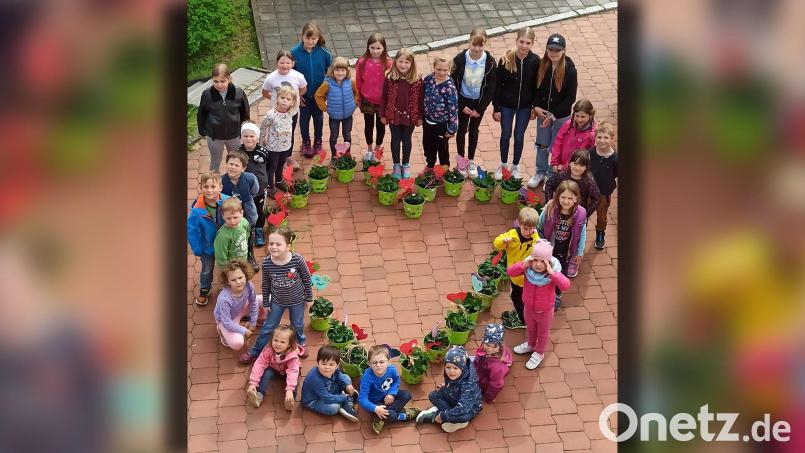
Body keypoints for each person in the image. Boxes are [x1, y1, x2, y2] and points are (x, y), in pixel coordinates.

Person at [240, 227, 313, 363]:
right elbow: (266, 284)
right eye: (271, 243)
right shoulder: (267, 263)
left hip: (297, 300)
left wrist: (309, 298)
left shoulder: (297, 260)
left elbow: (307, 279)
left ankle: (300, 343)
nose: (273, 247)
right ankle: (255, 350)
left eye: (278, 244)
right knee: (269, 326)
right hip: (277, 301)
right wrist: (266, 303)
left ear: (288, 246)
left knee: (297, 324)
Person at [506, 240, 570, 369]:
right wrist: (523, 265)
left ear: (549, 262)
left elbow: (565, 285)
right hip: (529, 308)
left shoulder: (552, 275)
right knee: (531, 329)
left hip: (545, 312)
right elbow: (510, 272)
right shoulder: (527, 269)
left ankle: (539, 353)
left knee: (542, 333)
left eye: (543, 261)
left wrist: (553, 274)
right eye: (535, 260)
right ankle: (530, 345)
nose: (538, 264)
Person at [529, 33, 578, 189]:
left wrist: (553, 115)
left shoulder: (570, 70)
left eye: (557, 50)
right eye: (550, 49)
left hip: (560, 117)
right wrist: (535, 106)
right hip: (543, 114)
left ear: (563, 51)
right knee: (542, 144)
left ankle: (552, 173)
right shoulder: (542, 66)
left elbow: (570, 98)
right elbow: (535, 89)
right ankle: (540, 171)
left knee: (557, 146)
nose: (553, 52)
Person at [491, 28, 539, 180]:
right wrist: (496, 108)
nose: (524, 46)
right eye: (521, 42)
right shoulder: (506, 58)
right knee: (505, 134)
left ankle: (516, 166)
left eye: (528, 43)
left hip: (525, 107)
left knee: (519, 136)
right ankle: (504, 164)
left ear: (532, 43)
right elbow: (497, 85)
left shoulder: (536, 61)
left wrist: (534, 107)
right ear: (516, 40)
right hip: (506, 105)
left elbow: (537, 86)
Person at [451, 27, 496, 178]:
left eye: (480, 45)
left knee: (473, 131)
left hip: (478, 103)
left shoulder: (490, 62)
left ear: (485, 44)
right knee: (462, 130)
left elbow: (491, 88)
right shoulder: (459, 59)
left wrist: (480, 108)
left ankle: (470, 160)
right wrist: (461, 105)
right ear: (469, 42)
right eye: (474, 44)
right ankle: (461, 161)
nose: (477, 49)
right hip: (463, 101)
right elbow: (453, 84)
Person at [537, 180, 587, 308]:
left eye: (570, 198)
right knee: (546, 270)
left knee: (561, 272)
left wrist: (579, 253)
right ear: (557, 196)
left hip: (566, 251)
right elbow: (539, 226)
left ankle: (557, 295)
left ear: (576, 198)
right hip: (550, 248)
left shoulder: (581, 214)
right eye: (563, 197)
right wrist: (541, 245)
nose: (566, 201)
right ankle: (545, 291)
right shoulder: (550, 208)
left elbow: (581, 235)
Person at [415, 346, 482, 433]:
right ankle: (448, 417)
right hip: (453, 394)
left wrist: (444, 415)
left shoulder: (468, 385)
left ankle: (443, 416)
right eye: (448, 367)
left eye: (455, 368)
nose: (451, 371)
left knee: (464, 416)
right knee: (433, 395)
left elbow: (463, 408)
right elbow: (460, 349)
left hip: (468, 407)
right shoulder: (457, 369)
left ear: (463, 367)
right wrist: (445, 385)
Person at [197, 63, 250, 172]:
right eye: (216, 81)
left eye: (222, 81)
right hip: (214, 136)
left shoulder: (238, 93)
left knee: (235, 160)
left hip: (234, 135)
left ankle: (234, 180)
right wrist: (202, 131)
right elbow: (202, 114)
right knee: (215, 161)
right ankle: (214, 183)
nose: (219, 85)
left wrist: (245, 129)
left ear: (229, 79)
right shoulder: (207, 95)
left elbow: (245, 112)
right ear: (212, 80)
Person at [493, 207, 540, 330]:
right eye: (526, 228)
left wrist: (535, 237)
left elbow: (540, 248)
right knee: (517, 296)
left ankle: (523, 320)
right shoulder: (512, 234)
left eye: (532, 229)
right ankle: (521, 313)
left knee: (519, 298)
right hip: (514, 274)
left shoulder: (535, 239)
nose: (529, 232)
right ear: (519, 223)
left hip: (527, 277)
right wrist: (503, 241)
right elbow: (497, 244)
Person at [261, 49, 308, 171]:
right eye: (282, 62)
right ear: (277, 63)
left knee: (289, 133)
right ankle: (274, 155)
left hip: (291, 113)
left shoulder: (298, 76)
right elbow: (265, 92)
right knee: (274, 133)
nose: (285, 65)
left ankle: (288, 157)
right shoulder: (271, 78)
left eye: (288, 63)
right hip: (276, 114)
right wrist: (276, 99)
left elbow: (303, 89)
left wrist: (295, 98)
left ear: (293, 63)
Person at [291, 22, 332, 158]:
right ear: (302, 36)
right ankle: (306, 142)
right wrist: (296, 94)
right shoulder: (294, 53)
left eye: (314, 39)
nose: (310, 41)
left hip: (319, 96)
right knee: (303, 119)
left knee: (319, 119)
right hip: (303, 96)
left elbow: (328, 72)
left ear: (318, 38)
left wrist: (325, 92)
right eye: (307, 38)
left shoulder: (325, 53)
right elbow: (290, 76)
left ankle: (318, 141)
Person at [381, 48, 423, 179]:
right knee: (395, 140)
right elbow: (384, 97)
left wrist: (420, 116)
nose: (403, 65)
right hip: (393, 115)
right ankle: (396, 165)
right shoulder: (390, 78)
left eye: (407, 62)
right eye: (400, 61)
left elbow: (421, 100)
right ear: (395, 61)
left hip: (410, 116)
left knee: (406, 140)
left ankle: (405, 164)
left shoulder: (417, 80)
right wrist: (382, 114)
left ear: (412, 64)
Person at [187, 172, 228, 305]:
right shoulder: (197, 210)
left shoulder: (228, 202)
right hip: (207, 247)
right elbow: (192, 231)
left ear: (220, 188)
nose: (209, 190)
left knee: (225, 267)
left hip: (225, 245)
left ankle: (225, 286)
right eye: (206, 186)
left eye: (213, 186)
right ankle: (205, 288)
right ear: (201, 188)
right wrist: (198, 249)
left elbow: (237, 219)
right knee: (206, 269)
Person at [358, 345, 420, 434]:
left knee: (407, 395)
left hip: (389, 397)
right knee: (391, 415)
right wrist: (375, 408)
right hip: (376, 402)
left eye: (382, 362)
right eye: (374, 363)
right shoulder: (367, 377)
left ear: (388, 361)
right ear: (369, 363)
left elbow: (396, 381)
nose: (378, 365)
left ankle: (380, 417)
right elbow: (362, 398)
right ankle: (402, 415)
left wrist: (392, 393)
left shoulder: (392, 370)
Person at [246, 325, 304, 410]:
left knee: (294, 379)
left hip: (289, 373)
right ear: (271, 339)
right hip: (275, 369)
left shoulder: (292, 355)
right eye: (275, 340)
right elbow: (260, 363)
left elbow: (292, 371)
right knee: (267, 372)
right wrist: (253, 383)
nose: (278, 344)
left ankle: (290, 399)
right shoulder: (268, 349)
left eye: (282, 342)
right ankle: (259, 395)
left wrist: (290, 390)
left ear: (289, 345)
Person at [355, 33, 393, 162]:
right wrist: (358, 97)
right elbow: (358, 81)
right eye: (372, 48)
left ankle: (377, 148)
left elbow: (392, 84)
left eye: (378, 48)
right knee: (369, 125)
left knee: (381, 125)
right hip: (367, 100)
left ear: (384, 48)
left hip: (383, 101)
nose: (375, 51)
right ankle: (369, 149)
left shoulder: (388, 63)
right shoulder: (362, 62)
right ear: (368, 47)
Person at [220, 151, 260, 271]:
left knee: (248, 236)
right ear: (226, 164)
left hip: (247, 213)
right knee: (233, 238)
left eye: (237, 165)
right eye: (230, 164)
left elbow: (254, 191)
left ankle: (250, 256)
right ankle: (233, 260)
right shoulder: (221, 181)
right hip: (230, 216)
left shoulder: (250, 178)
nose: (233, 167)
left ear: (243, 168)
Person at [314, 56, 360, 159]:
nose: (340, 73)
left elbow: (357, 93)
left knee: (347, 135)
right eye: (337, 70)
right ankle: (334, 155)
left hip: (348, 115)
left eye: (343, 70)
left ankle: (347, 153)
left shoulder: (351, 82)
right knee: (334, 136)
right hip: (334, 116)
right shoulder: (327, 84)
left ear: (347, 71)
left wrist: (355, 103)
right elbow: (318, 95)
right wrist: (325, 108)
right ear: (332, 71)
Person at [300, 345, 360, 421]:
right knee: (334, 408)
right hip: (314, 400)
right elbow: (327, 398)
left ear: (337, 365)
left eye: (331, 364)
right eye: (324, 364)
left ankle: (342, 398)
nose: (327, 367)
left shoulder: (336, 369)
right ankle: (344, 401)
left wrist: (348, 384)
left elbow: (339, 376)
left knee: (346, 378)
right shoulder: (315, 380)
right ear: (318, 363)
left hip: (327, 389)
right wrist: (344, 398)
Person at [214, 260, 262, 351]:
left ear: (245, 275)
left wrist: (253, 321)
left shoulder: (248, 284)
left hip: (242, 307)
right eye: (233, 280)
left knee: (268, 299)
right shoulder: (224, 299)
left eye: (240, 277)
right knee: (238, 344)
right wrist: (244, 331)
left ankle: (261, 319)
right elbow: (227, 322)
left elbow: (253, 301)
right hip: (228, 319)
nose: (238, 282)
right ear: (228, 282)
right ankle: (221, 329)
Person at [259, 85, 297, 196]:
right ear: (277, 99)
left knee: (281, 164)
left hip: (285, 146)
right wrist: (261, 144)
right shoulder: (271, 115)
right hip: (273, 147)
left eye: (288, 99)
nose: (285, 101)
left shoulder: (290, 113)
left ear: (292, 103)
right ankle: (269, 186)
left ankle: (279, 181)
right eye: (282, 98)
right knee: (272, 167)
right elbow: (263, 128)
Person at [237, 122, 270, 247]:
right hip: (242, 189)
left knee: (259, 210)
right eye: (245, 136)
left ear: (257, 137)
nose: (248, 139)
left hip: (260, 189)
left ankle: (259, 229)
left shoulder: (264, 152)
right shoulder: (237, 152)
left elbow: (270, 166)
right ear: (241, 137)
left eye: (252, 136)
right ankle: (246, 230)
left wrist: (266, 181)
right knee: (244, 209)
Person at [422, 56, 458, 171]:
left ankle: (444, 169)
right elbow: (422, 96)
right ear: (434, 67)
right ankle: (430, 165)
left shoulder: (450, 87)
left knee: (442, 148)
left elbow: (453, 109)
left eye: (445, 70)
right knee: (427, 145)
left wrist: (452, 128)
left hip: (442, 124)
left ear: (449, 70)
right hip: (427, 121)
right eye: (438, 69)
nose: (441, 73)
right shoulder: (428, 79)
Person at [544, 148, 601, 220]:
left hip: (577, 214)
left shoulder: (588, 181)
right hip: (560, 209)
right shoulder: (563, 175)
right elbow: (549, 184)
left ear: (586, 168)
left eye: (581, 165)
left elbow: (597, 198)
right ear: (570, 163)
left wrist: (585, 213)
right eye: (575, 164)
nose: (577, 168)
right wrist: (549, 201)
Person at [588, 122, 618, 249]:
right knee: (583, 212)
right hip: (588, 191)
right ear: (595, 138)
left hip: (604, 192)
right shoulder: (590, 153)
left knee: (602, 215)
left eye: (606, 137)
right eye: (599, 137)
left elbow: (616, 173)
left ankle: (600, 233)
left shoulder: (615, 158)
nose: (602, 140)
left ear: (612, 139)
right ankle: (579, 232)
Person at [550, 98, 596, 172]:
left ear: (590, 116)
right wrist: (555, 162)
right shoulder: (568, 124)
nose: (579, 120)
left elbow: (579, 155)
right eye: (577, 116)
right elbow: (558, 143)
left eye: (583, 117)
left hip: (576, 169)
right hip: (560, 166)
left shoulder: (590, 135)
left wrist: (565, 166)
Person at [473, 323, 512, 403]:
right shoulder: (483, 349)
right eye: (488, 344)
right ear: (483, 341)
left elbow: (496, 385)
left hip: (486, 380)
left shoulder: (497, 367)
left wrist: (489, 397)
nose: (490, 349)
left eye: (494, 347)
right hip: (482, 371)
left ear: (500, 346)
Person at [213, 197, 251, 268]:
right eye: (228, 218)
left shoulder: (244, 222)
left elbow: (246, 236)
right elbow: (221, 258)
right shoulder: (222, 236)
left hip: (243, 261)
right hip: (231, 267)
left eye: (235, 217)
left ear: (242, 213)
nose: (232, 221)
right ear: (223, 216)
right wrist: (227, 271)